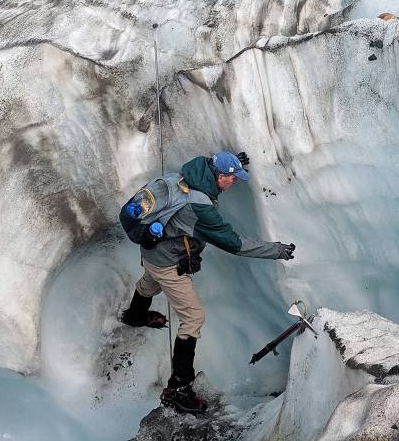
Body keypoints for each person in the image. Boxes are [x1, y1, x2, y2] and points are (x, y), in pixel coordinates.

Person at [120, 151, 296, 414]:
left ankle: (135, 315)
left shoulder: (190, 174)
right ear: (219, 176)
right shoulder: (201, 208)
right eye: (232, 178)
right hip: (166, 261)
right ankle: (178, 389)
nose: (234, 182)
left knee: (150, 280)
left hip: (152, 253)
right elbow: (234, 244)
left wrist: (232, 162)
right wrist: (276, 250)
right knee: (193, 318)